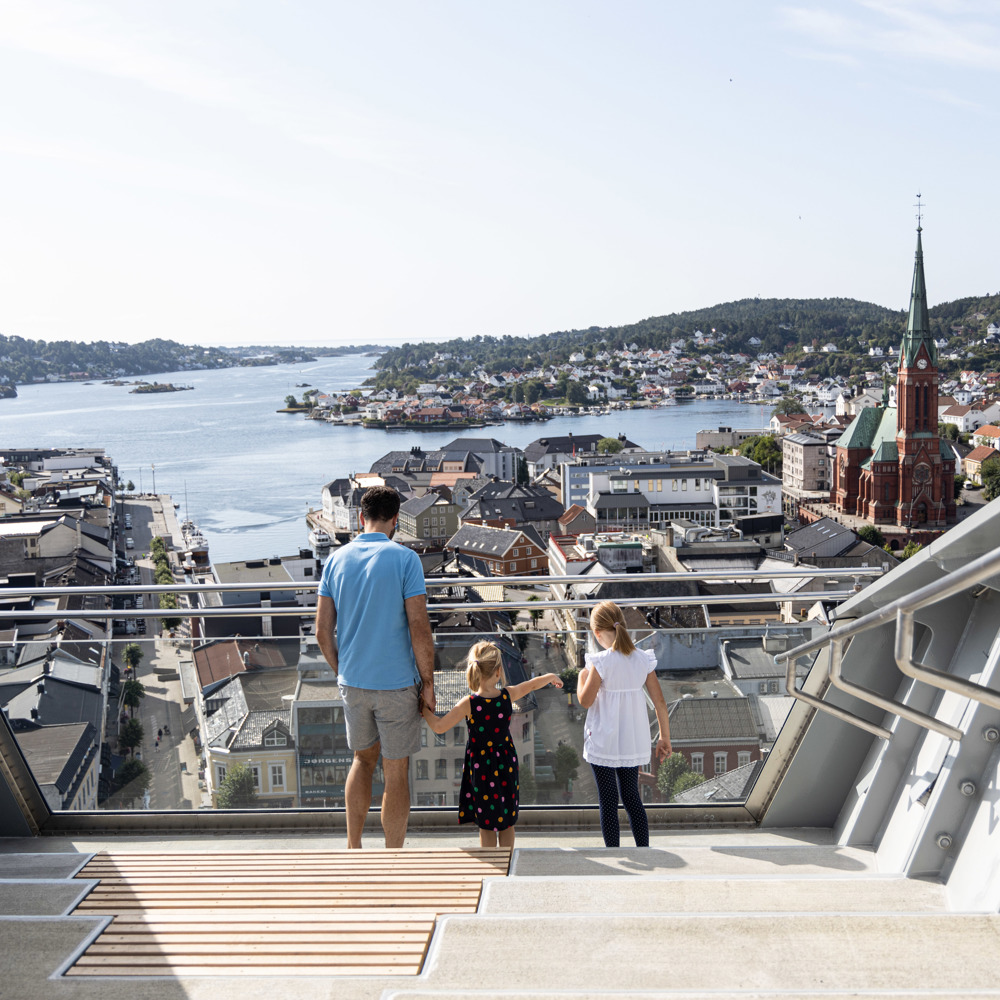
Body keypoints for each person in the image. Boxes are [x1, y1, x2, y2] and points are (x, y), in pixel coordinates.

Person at [315, 485, 435, 849]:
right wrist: (427, 682)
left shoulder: (335, 561)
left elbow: (322, 632)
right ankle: (393, 854)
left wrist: (342, 670)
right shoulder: (405, 560)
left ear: (359, 518)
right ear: (396, 520)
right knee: (396, 771)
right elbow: (419, 627)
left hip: (354, 682)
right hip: (397, 683)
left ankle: (353, 847)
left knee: (362, 760)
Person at [420, 641, 562, 848]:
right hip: (506, 763)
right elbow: (531, 685)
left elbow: (440, 727)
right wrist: (550, 677)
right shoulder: (507, 695)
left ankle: (492, 865)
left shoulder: (469, 703)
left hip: (482, 767)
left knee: (486, 823)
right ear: (498, 672)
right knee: (507, 822)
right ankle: (507, 865)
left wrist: (424, 709)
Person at [577, 600, 671, 848]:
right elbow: (660, 702)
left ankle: (613, 852)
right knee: (631, 797)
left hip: (604, 740)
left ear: (597, 634)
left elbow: (586, 701)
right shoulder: (642, 659)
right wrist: (664, 738)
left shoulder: (601, 662)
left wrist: (581, 677)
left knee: (608, 801)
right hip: (632, 739)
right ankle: (644, 849)